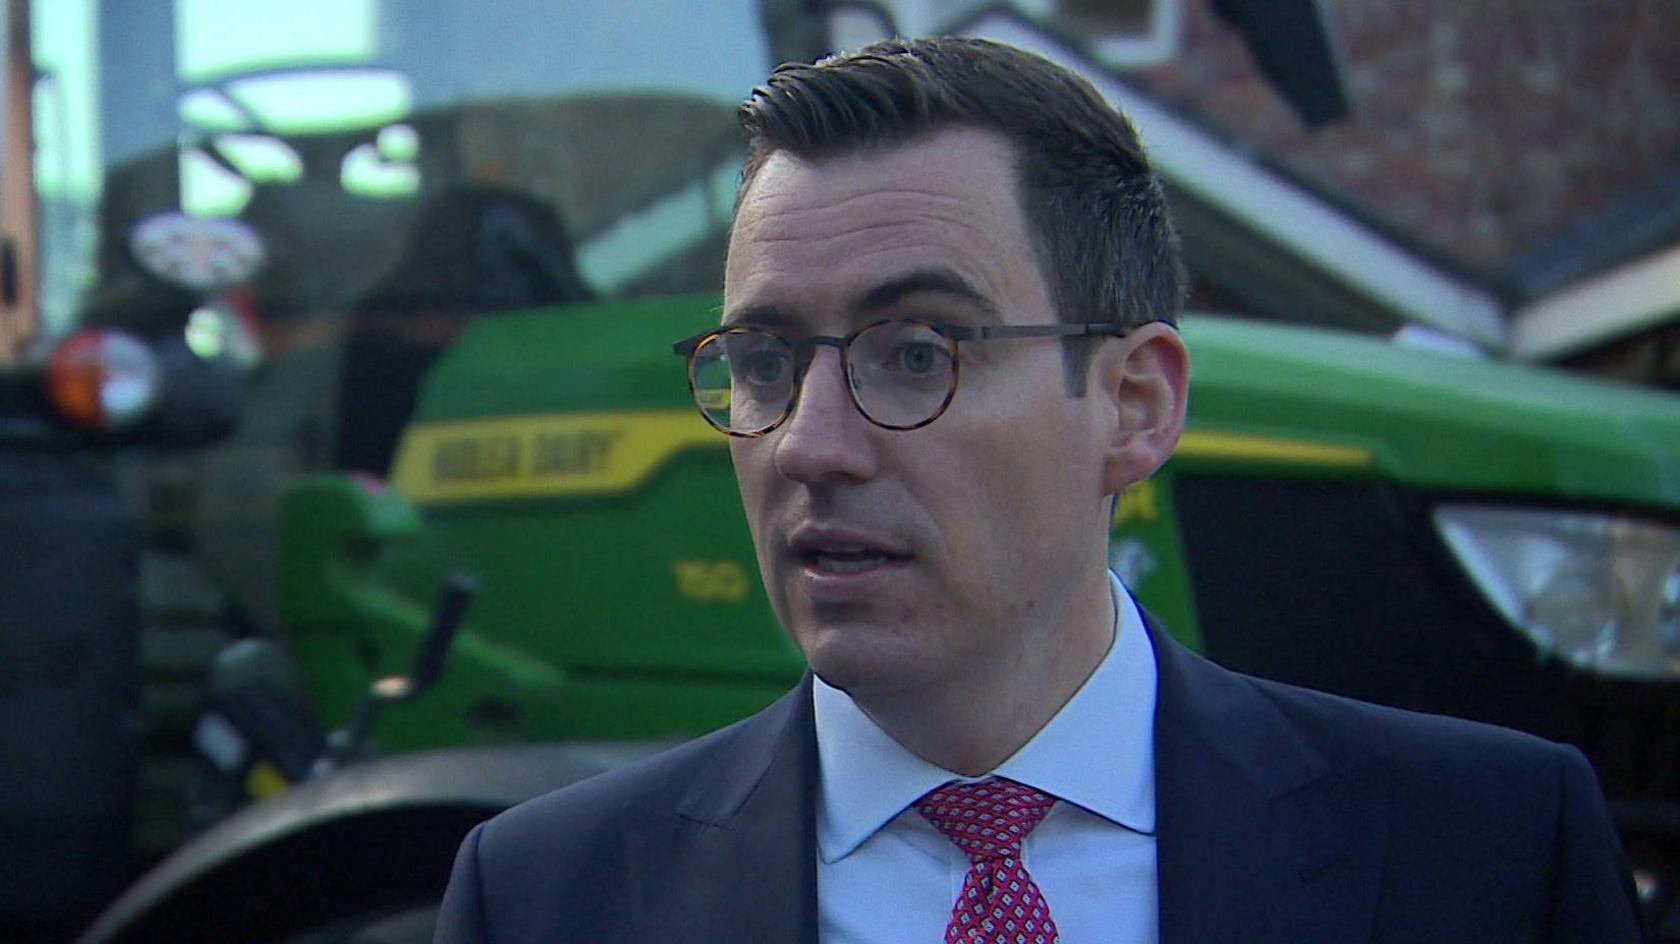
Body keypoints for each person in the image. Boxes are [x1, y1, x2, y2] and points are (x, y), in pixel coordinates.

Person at [435, 37, 1643, 943]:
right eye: (763, 364)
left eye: (917, 351)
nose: (811, 444)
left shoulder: (1490, 849)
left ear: (1135, 403)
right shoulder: (545, 897)